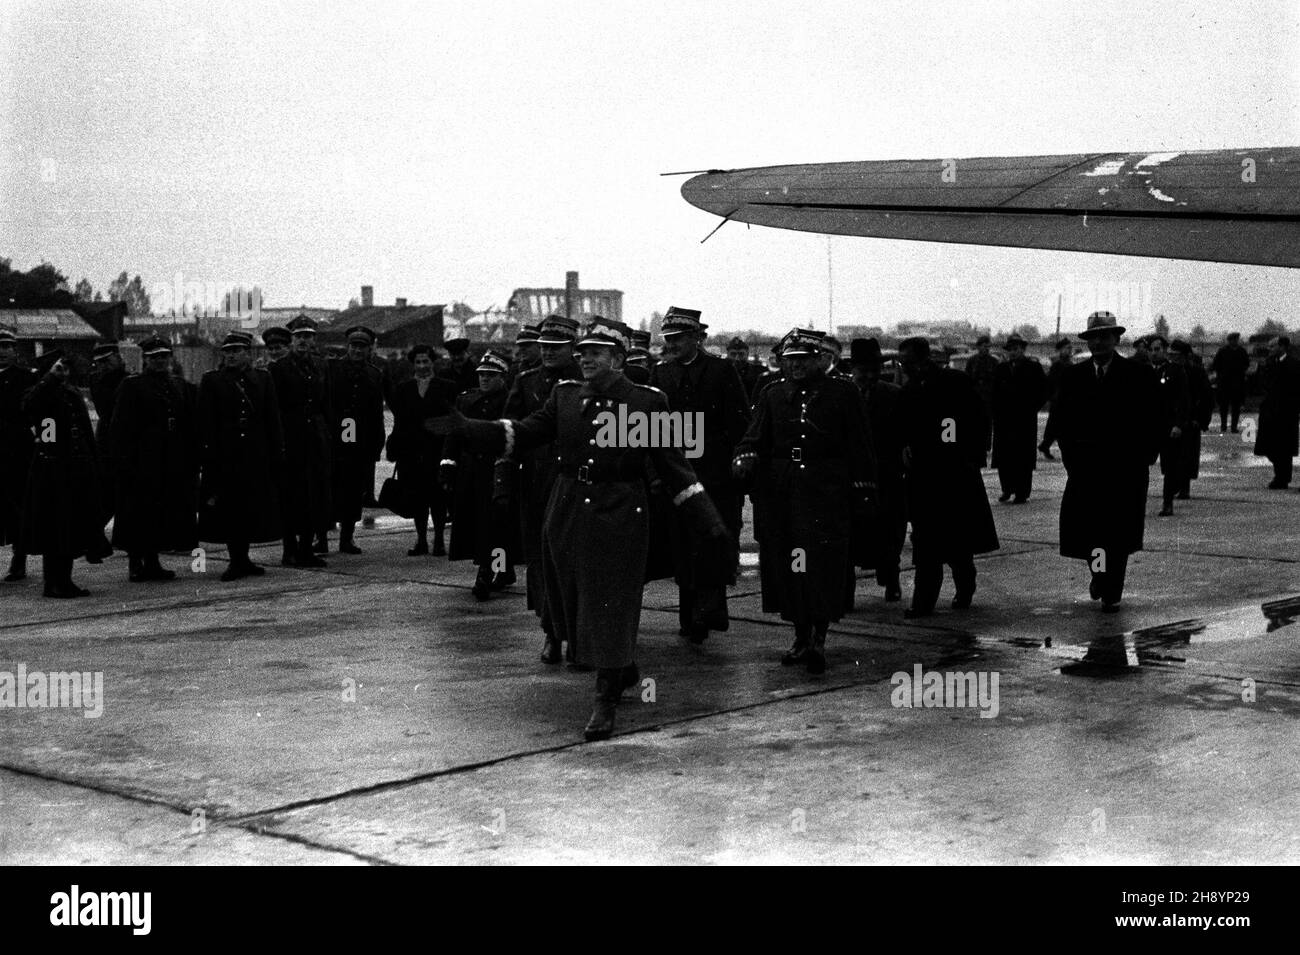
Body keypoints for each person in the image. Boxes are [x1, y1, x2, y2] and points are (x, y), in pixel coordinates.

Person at [429, 316, 732, 740]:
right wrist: (471, 430)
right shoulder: (566, 396)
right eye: (583, 352)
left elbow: (673, 464)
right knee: (571, 600)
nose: (585, 359)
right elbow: (526, 431)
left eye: (596, 353)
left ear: (619, 358)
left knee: (611, 601)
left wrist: (708, 521)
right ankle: (622, 665)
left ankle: (605, 699)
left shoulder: (646, 403)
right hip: (567, 509)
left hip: (621, 511)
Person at [734, 328, 874, 670]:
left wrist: (864, 491)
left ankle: (818, 639)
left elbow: (860, 445)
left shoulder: (843, 392)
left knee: (822, 566)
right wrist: (744, 456)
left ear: (819, 360)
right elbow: (753, 436)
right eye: (789, 360)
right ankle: (799, 635)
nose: (795, 367)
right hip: (782, 494)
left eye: (802, 360)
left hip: (827, 491)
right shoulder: (771, 393)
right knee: (790, 565)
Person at [1052, 311, 1163, 611]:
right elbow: (1062, 421)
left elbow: (1155, 418)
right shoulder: (1073, 376)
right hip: (1086, 470)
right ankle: (1100, 575)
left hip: (1125, 470)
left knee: (1118, 534)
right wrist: (1070, 460)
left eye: (1105, 336)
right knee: (1088, 532)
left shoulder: (1138, 375)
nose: (1098, 342)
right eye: (1093, 338)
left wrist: (1145, 457)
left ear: (1117, 339)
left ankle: (1111, 589)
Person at [652, 306, 750, 643]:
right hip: (677, 474)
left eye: (679, 338)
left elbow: (739, 423)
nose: (673, 344)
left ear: (697, 338)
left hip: (716, 474)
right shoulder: (661, 374)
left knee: (713, 540)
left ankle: (709, 611)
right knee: (683, 544)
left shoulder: (722, 371)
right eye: (669, 339)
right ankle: (690, 616)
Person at [897, 337, 999, 618]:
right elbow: (903, 426)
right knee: (926, 541)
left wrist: (967, 455)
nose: (904, 367)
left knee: (957, 540)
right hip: (923, 475)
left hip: (953, 473)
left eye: (906, 361)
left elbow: (977, 418)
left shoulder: (952, 382)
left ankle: (964, 585)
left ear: (921, 359)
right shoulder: (908, 390)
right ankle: (923, 601)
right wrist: (905, 447)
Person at [502, 313, 581, 662]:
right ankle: (550, 633)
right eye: (543, 346)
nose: (547, 352)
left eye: (556, 347)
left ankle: (577, 637)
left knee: (576, 561)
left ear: (573, 348)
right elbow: (508, 435)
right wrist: (501, 482)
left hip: (574, 482)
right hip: (534, 483)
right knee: (541, 562)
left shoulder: (585, 381)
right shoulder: (525, 381)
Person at [109, 336, 199, 581]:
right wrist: (124, 462)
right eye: (154, 357)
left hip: (169, 460)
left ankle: (153, 561)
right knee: (139, 513)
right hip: (141, 460)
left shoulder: (177, 385)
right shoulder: (133, 385)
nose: (160, 361)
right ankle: (136, 563)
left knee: (160, 513)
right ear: (145, 360)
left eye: (164, 356)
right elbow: (120, 427)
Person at [197, 331, 285, 581]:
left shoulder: (262, 379)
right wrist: (207, 454)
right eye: (227, 352)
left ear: (248, 354)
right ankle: (235, 560)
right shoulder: (212, 381)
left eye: (237, 351)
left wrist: (277, 451)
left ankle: (244, 559)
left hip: (256, 455)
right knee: (230, 509)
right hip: (225, 456)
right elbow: (205, 420)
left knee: (251, 507)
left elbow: (272, 418)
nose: (231, 356)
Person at [20, 350, 104, 597]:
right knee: (52, 529)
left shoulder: (71, 393)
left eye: (65, 368)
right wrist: (49, 379)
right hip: (52, 470)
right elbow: (30, 409)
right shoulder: (42, 392)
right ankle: (53, 582)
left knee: (69, 528)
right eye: (58, 368)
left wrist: (91, 462)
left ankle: (64, 580)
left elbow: (84, 431)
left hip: (75, 469)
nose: (63, 372)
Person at [441, 350, 518, 600]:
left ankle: (486, 573)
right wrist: (448, 466)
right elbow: (453, 435)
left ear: (503, 377)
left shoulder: (511, 401)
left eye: (491, 375)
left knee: (495, 525)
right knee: (479, 524)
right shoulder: (465, 401)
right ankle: (503, 570)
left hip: (497, 470)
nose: (484, 378)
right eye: (482, 374)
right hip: (471, 471)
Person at [269, 317, 333, 567]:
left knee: (313, 494)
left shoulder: (320, 366)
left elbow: (326, 402)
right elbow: (274, 408)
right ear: (291, 340)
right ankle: (289, 550)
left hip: (315, 438)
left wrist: (328, 433)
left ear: (314, 339)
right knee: (291, 495)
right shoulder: (279, 368)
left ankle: (306, 549)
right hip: (291, 436)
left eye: (308, 336)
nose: (304, 341)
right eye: (299, 337)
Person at [848, 337, 905, 602]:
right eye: (863, 371)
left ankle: (891, 580)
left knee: (890, 532)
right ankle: (845, 589)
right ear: (853, 370)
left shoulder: (893, 394)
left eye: (874, 370)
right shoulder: (840, 395)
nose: (869, 376)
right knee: (849, 534)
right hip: (851, 477)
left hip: (887, 475)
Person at [388, 344, 456, 556]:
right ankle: (421, 540)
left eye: (426, 361)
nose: (422, 366)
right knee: (417, 497)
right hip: (411, 451)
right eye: (418, 362)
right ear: (413, 364)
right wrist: (394, 446)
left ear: (432, 362)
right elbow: (399, 421)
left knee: (437, 497)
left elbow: (452, 419)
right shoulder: (403, 389)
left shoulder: (446, 387)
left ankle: (438, 541)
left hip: (436, 449)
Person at [328, 325, 385, 553]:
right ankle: (321, 536)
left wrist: (377, 443)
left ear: (369, 349)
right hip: (335, 439)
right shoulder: (332, 369)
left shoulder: (374, 374)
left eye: (362, 347)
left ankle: (347, 537)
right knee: (330, 488)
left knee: (352, 491)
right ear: (347, 347)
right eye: (354, 346)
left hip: (359, 441)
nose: (357, 351)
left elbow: (376, 412)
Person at [991, 334, 1048, 503]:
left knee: (1022, 457)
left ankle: (1022, 492)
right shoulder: (1001, 368)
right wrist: (996, 411)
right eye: (1010, 350)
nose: (1013, 353)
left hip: (1024, 420)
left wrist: (1031, 408)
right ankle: (1007, 489)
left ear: (1023, 349)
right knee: (1004, 457)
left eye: (1016, 349)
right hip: (1004, 419)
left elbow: (1043, 390)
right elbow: (994, 392)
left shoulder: (1033, 367)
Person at [0, 328, 36, 583]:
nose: (2, 353)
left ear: (15, 351)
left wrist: (48, 442)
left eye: (7, 347)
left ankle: (19, 558)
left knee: (18, 507)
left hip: (18, 451)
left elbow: (46, 413)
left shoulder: (27, 379)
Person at [87, 340, 126, 561]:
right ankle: (91, 537)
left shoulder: (122, 378)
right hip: (108, 442)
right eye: (103, 362)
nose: (107, 366)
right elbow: (107, 405)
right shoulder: (100, 381)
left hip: (120, 441)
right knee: (108, 495)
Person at [1148, 335, 1191, 517]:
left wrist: (1178, 425)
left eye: (1157, 349)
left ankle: (1168, 503)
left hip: (1168, 427)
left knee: (1170, 467)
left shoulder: (1175, 371)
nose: (1153, 353)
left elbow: (1184, 400)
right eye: (1151, 349)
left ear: (1165, 350)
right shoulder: (1143, 371)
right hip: (1148, 428)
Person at [1253, 336, 1300, 489]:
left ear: (1282, 347)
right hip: (1270, 410)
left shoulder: (1293, 364)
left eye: (1273, 346)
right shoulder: (1270, 363)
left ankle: (1282, 477)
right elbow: (1263, 383)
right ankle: (1281, 475)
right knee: (1270, 446)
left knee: (1284, 447)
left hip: (1286, 411)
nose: (1270, 349)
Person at [1172, 340, 1214, 499]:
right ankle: (1176, 484)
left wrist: (1200, 419)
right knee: (1173, 456)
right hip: (1174, 419)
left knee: (1187, 455)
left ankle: (1184, 488)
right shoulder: (1170, 371)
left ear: (1184, 355)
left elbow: (1207, 397)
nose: (1173, 358)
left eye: (1176, 355)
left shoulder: (1196, 372)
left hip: (1191, 420)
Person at [1038, 338, 1074, 460]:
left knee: (1056, 426)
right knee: (1057, 426)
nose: (1069, 351)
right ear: (1061, 350)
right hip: (1058, 400)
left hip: (1067, 399)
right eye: (1067, 348)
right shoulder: (1058, 365)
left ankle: (1045, 445)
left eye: (1070, 348)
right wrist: (1051, 396)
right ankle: (1046, 445)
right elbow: (1050, 382)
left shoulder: (1070, 364)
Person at [963, 334, 999, 452]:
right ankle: (975, 443)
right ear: (978, 347)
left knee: (988, 423)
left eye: (988, 346)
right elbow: (967, 379)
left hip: (989, 396)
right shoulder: (972, 361)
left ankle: (986, 445)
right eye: (984, 346)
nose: (987, 349)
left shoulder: (993, 362)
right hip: (975, 396)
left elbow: (997, 380)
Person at [1211, 331, 1250, 433]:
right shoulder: (1222, 351)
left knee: (1236, 406)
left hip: (1237, 383)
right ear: (1229, 341)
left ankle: (1234, 426)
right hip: (1225, 383)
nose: (1235, 341)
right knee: (1223, 406)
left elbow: (1246, 363)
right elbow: (1215, 365)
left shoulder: (1242, 351)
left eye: (1236, 339)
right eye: (1233, 340)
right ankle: (1223, 426)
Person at [726, 337, 762, 401]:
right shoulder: (718, 373)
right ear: (727, 355)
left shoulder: (758, 373)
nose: (737, 358)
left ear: (747, 355)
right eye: (733, 354)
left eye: (741, 354)